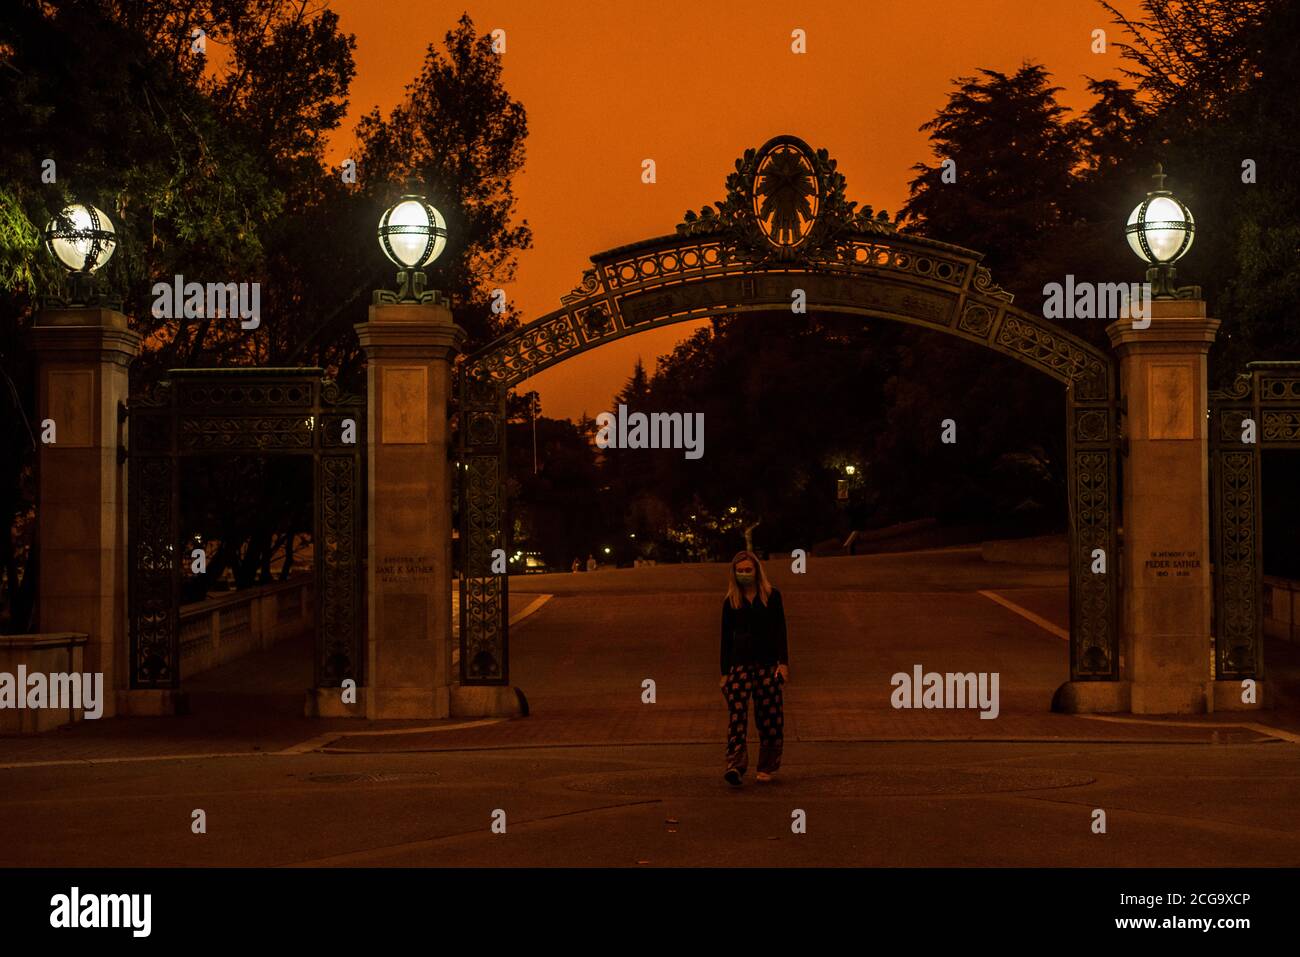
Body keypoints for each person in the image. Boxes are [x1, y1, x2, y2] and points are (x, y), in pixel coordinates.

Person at [718, 549, 788, 786]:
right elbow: (725, 638)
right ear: (734, 573)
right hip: (739, 664)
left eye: (748, 570)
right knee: (737, 716)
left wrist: (783, 663)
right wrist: (724, 672)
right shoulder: (731, 602)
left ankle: (767, 765)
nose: (744, 574)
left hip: (767, 664)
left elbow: (781, 631)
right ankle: (735, 765)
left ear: (757, 571)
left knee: (769, 716)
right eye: (740, 571)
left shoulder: (772, 596)